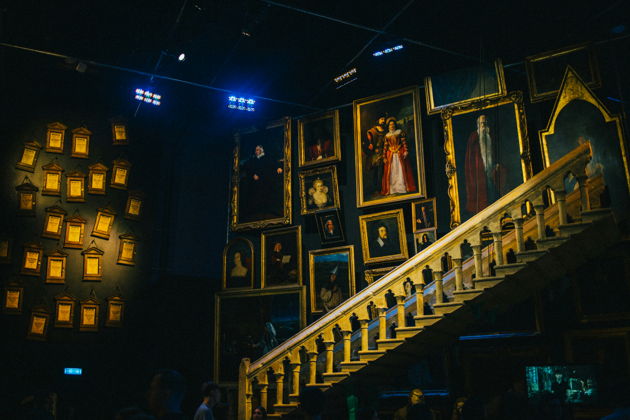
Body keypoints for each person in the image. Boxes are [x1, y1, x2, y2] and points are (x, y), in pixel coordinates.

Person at [464, 115, 506, 214]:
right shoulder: (474, 137)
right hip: (479, 172)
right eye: (482, 123)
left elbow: (494, 152)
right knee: (483, 195)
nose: (484, 125)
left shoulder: (490, 136)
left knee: (493, 193)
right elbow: (470, 158)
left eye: (485, 123)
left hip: (491, 169)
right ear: (478, 125)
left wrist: (496, 164)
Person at [241, 145, 283, 220]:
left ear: (262, 150)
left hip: (267, 179)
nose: (256, 151)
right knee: (256, 194)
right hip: (256, 181)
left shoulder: (267, 158)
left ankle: (269, 209)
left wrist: (278, 168)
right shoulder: (253, 160)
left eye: (258, 150)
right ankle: (257, 210)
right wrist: (253, 175)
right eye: (255, 150)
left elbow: (274, 163)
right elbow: (248, 168)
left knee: (268, 192)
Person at [381, 117, 417, 196]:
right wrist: (384, 157)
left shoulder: (399, 132)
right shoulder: (387, 135)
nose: (392, 126)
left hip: (399, 152)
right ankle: (393, 189)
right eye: (390, 125)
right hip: (390, 155)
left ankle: (401, 187)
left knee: (400, 170)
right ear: (388, 126)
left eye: (393, 124)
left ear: (395, 125)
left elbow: (404, 142)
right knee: (392, 171)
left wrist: (406, 151)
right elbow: (385, 147)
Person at [364, 116, 387, 195]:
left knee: (383, 171)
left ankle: (383, 188)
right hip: (375, 154)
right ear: (378, 120)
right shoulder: (372, 131)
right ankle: (376, 189)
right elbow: (368, 142)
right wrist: (372, 147)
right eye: (381, 119)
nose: (383, 121)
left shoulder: (385, 131)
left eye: (384, 119)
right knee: (376, 171)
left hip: (384, 152)